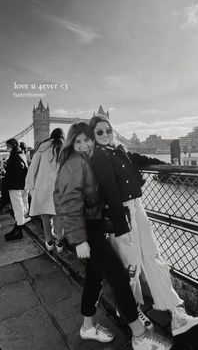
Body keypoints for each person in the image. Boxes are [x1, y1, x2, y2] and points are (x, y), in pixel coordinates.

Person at [54, 122, 172, 350]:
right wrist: (79, 240)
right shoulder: (75, 163)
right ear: (70, 142)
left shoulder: (86, 160)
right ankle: (139, 335)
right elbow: (69, 203)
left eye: (86, 139)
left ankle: (87, 326)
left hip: (93, 225)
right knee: (118, 276)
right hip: (86, 228)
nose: (83, 144)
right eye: (77, 141)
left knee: (94, 277)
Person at [88, 115, 198, 337]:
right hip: (122, 212)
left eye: (108, 130)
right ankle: (130, 310)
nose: (105, 135)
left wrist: (171, 166)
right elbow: (111, 193)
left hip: (137, 208)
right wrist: (122, 230)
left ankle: (177, 314)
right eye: (99, 132)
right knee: (131, 266)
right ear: (93, 136)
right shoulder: (98, 157)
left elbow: (140, 158)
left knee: (152, 255)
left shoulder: (119, 150)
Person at [25, 128, 65, 252]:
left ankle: (48, 241)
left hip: (42, 188)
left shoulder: (41, 149)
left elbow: (32, 169)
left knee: (45, 216)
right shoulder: (64, 149)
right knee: (58, 215)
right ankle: (59, 242)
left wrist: (30, 185)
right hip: (59, 188)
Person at [4, 138, 28, 241]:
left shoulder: (13, 157)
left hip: (15, 186)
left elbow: (13, 172)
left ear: (12, 146)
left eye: (8, 146)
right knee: (20, 207)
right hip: (22, 185)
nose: (6, 148)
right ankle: (18, 229)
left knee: (17, 208)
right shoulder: (21, 154)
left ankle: (18, 231)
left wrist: (6, 168)